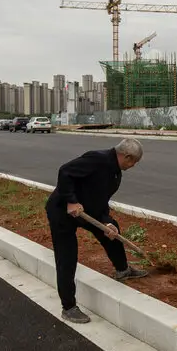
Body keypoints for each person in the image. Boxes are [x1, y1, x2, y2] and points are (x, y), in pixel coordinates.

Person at [45, 138, 149, 324]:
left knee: (112, 233)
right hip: (62, 211)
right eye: (134, 162)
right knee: (67, 257)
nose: (134, 166)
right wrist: (70, 200)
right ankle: (68, 307)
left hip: (86, 211)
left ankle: (123, 270)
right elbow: (65, 171)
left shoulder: (115, 172)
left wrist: (106, 222)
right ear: (127, 157)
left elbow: (99, 201)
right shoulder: (97, 159)